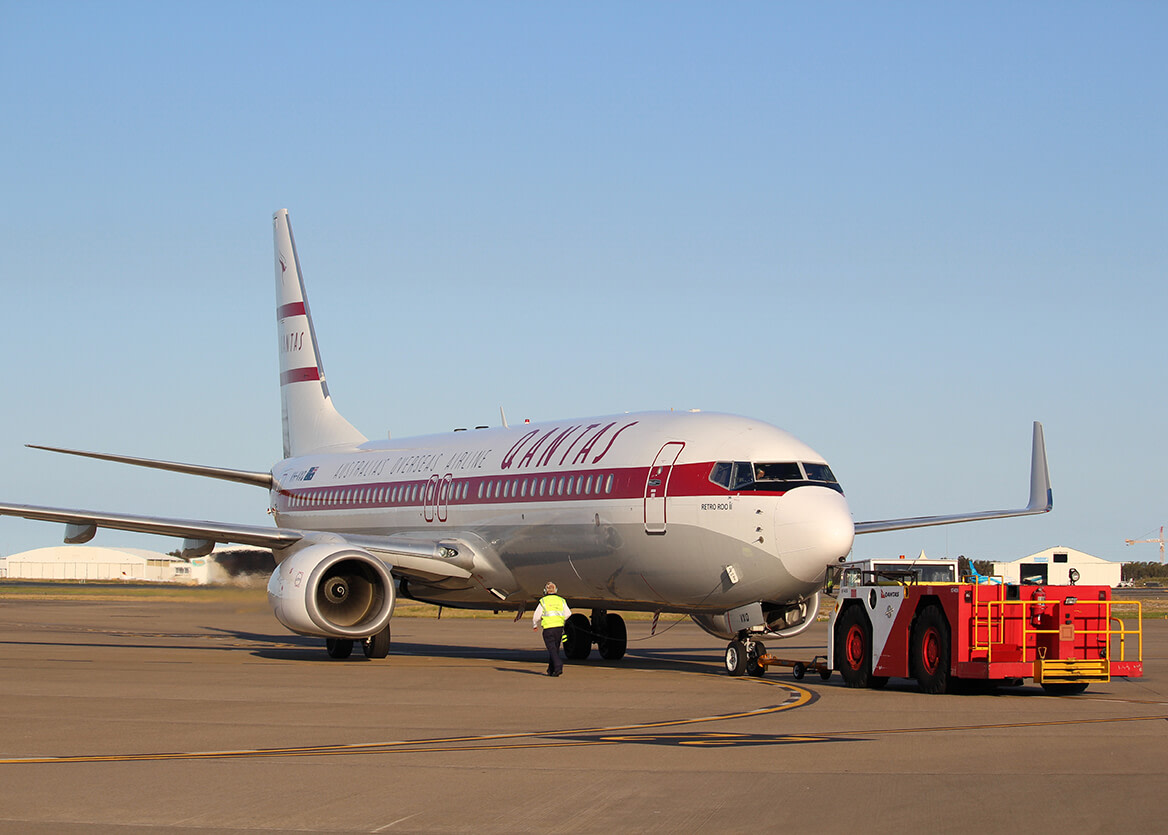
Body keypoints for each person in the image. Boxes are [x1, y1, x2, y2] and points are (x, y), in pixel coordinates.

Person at [532, 581, 571, 676]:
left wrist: (535, 624)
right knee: (555, 649)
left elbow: (537, 615)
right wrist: (561, 619)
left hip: (549, 628)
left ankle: (558, 665)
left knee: (552, 649)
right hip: (559, 628)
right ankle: (551, 670)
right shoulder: (561, 600)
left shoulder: (544, 601)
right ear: (556, 590)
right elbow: (568, 613)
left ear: (545, 591)